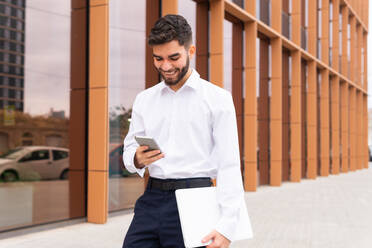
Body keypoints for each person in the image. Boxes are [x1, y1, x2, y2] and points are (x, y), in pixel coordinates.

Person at [122, 14, 244, 248]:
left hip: (196, 201)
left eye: (173, 57)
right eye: (158, 59)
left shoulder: (218, 99)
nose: (165, 66)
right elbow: (129, 147)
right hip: (152, 199)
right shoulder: (144, 100)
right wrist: (136, 159)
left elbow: (229, 165)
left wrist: (228, 226)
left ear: (191, 51)